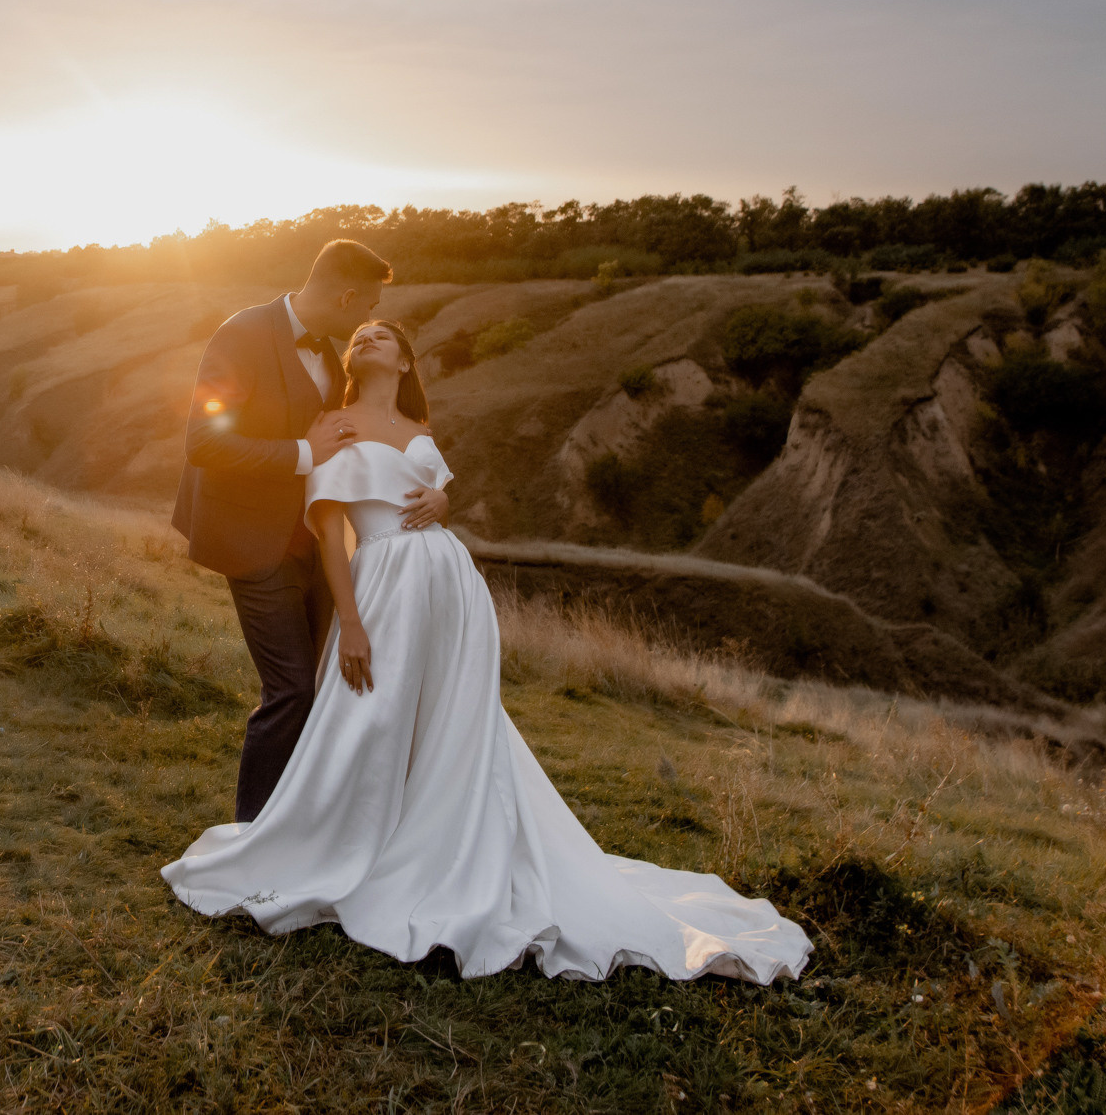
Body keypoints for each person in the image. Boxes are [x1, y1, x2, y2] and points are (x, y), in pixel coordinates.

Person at [163, 318, 812, 985]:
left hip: (452, 586)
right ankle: (355, 842)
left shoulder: (418, 427)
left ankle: (446, 836)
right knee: (372, 715)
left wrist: (444, 498)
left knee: (454, 722)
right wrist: (349, 623)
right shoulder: (335, 424)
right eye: (361, 335)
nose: (368, 338)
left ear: (406, 360)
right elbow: (331, 534)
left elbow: (433, 491)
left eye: (384, 334)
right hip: (385, 583)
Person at [171, 240, 449, 822]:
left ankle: (306, 821)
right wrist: (302, 452)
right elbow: (202, 442)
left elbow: (371, 444)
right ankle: (253, 833)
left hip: (319, 545)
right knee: (291, 690)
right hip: (252, 540)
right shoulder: (244, 334)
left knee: (325, 687)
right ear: (346, 297)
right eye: (367, 305)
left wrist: (436, 492)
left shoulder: (331, 354)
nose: (367, 319)